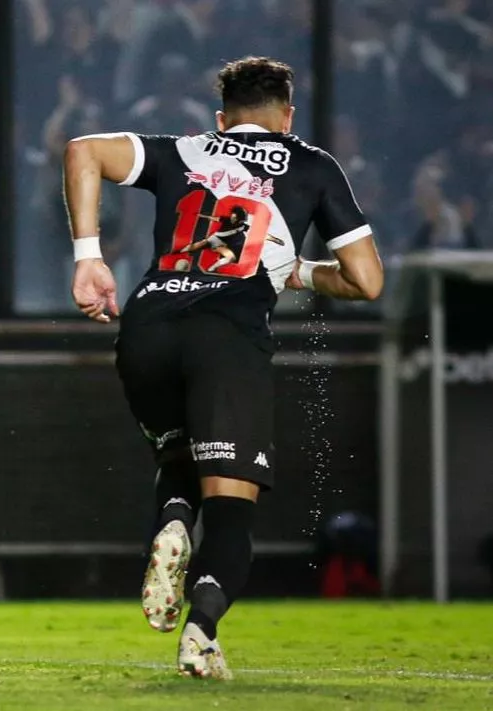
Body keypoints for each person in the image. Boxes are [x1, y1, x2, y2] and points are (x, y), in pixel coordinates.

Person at [62, 56, 383, 678]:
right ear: (287, 118)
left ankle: (174, 520)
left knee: (177, 460)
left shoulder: (181, 149)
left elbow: (82, 152)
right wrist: (295, 271)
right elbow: (367, 281)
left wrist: (88, 259)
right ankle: (201, 631)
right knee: (232, 507)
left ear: (222, 119)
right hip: (228, 335)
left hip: (148, 324)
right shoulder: (312, 165)